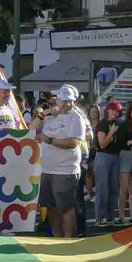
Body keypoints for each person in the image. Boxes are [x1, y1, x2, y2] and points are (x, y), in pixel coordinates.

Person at [37, 85, 88, 238]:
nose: (67, 103)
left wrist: (50, 140)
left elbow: (73, 142)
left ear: (74, 101)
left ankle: (68, 238)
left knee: (66, 206)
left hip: (65, 170)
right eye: (63, 100)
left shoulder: (76, 117)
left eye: (70, 100)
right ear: (57, 100)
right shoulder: (51, 116)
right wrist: (44, 113)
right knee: (52, 206)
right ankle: (57, 236)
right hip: (47, 169)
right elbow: (31, 127)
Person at [93, 100, 125, 226]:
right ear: (107, 110)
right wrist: (111, 132)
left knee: (114, 189)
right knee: (102, 188)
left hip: (116, 157)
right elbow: (102, 144)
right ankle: (99, 218)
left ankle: (110, 217)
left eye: (117, 111)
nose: (114, 113)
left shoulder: (119, 124)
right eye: (112, 110)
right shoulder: (103, 123)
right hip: (103, 157)